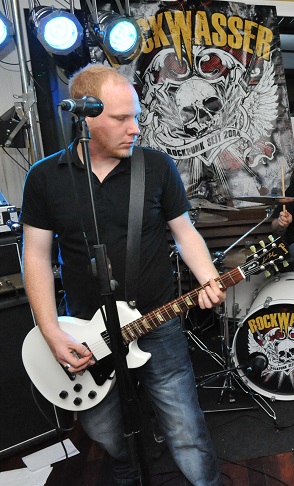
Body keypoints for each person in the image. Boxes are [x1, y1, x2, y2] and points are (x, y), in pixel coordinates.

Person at [20, 65, 225, 485]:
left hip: (157, 319)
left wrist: (208, 278)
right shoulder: (44, 177)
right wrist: (50, 331)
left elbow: (185, 232)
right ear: (85, 116)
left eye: (135, 116)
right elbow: (36, 256)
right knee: (106, 432)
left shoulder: (156, 167)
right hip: (84, 332)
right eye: (120, 118)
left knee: (185, 429)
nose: (135, 128)